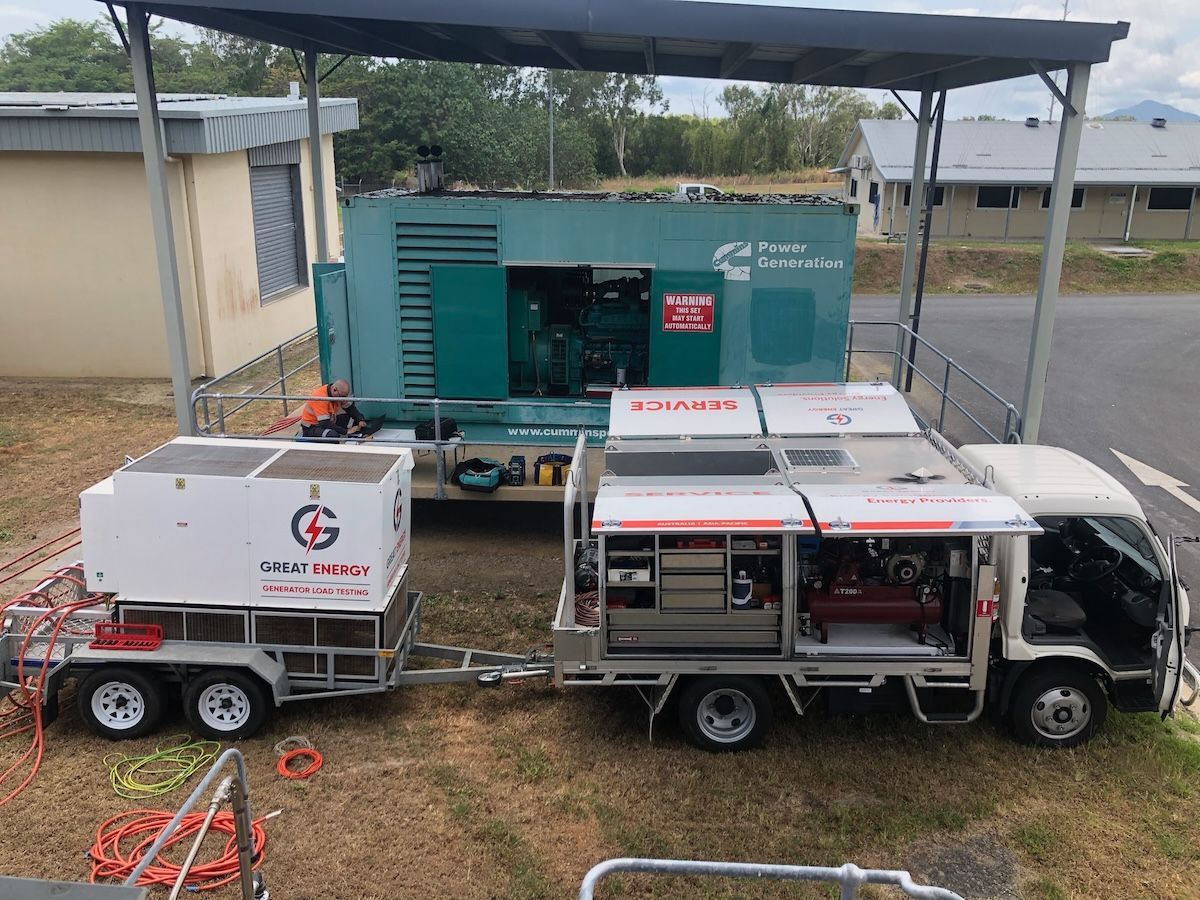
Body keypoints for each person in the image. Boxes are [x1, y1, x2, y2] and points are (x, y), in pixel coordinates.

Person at [299, 379, 366, 440]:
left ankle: (355, 434)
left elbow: (350, 409)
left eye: (345, 397)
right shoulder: (321, 398)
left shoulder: (337, 394)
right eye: (342, 397)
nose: (343, 399)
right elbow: (324, 424)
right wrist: (346, 431)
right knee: (332, 436)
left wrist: (360, 420)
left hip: (327, 422)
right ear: (334, 389)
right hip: (311, 428)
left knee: (350, 418)